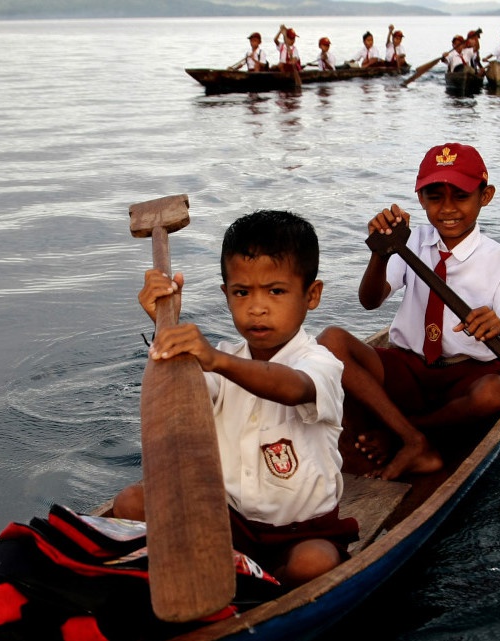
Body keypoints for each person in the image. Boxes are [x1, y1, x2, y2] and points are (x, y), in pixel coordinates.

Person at [112, 210, 358, 587]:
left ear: (312, 295)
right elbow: (179, 392)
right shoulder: (220, 360)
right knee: (130, 504)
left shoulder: (319, 362)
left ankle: (264, 585)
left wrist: (216, 360)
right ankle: (226, 569)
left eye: (276, 291)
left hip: (300, 532)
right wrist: (164, 323)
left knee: (314, 564)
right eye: (242, 293)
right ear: (226, 295)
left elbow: (294, 387)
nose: (257, 308)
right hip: (225, 520)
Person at [318, 143, 500, 479]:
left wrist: (499, 326)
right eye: (435, 197)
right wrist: (380, 253)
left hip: (466, 374)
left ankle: (399, 432)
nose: (447, 209)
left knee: (496, 393)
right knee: (330, 341)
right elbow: (370, 300)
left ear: (485, 196)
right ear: (420, 199)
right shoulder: (410, 241)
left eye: (461, 196)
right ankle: (413, 440)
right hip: (410, 368)